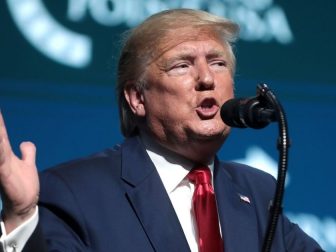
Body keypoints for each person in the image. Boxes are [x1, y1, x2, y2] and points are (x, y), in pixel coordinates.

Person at [0, 8, 323, 252]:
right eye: (182, 65)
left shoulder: (257, 191)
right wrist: (22, 220)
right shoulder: (74, 190)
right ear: (138, 98)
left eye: (218, 63)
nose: (207, 78)